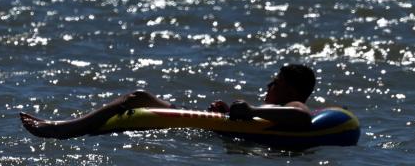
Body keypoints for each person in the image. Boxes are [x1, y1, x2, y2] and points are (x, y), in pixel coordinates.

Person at [19, 63, 316, 139]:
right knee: (141, 96)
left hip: (209, 136)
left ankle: (63, 129)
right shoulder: (276, 108)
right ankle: (65, 127)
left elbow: (303, 118)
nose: (269, 85)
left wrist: (249, 110)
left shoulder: (293, 106)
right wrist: (227, 113)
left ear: (290, 88)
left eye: (275, 82)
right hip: (212, 130)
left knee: (137, 98)